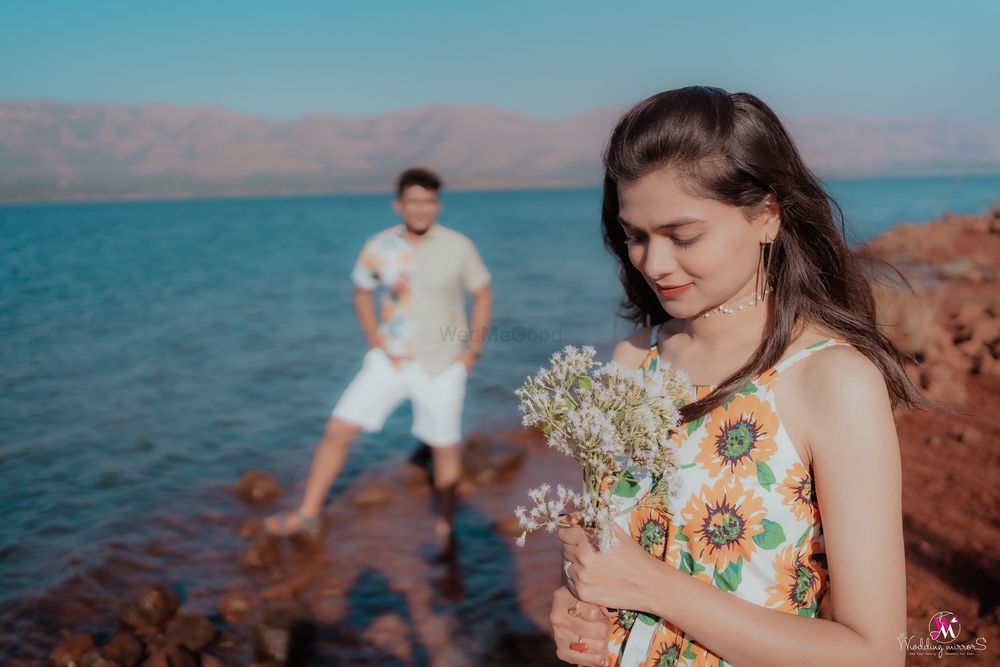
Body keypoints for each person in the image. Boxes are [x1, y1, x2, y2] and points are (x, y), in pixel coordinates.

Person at [549, 87, 918, 666]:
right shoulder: (630, 361)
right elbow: (609, 560)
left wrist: (652, 588)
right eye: (635, 236)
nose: (653, 263)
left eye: (683, 236)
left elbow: (875, 654)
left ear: (767, 214)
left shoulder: (831, 381)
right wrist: (577, 605)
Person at [266, 167, 493, 541]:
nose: (421, 209)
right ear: (398, 205)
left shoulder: (458, 246)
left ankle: (446, 527)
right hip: (390, 360)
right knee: (338, 429)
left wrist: (473, 351)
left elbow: (482, 293)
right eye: (414, 201)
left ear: (437, 205)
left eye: (429, 201)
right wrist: (374, 341)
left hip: (441, 363)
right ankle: (307, 513)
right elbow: (361, 292)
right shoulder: (379, 246)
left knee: (445, 446)